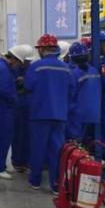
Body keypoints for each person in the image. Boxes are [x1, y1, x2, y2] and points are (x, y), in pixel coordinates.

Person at [25, 34, 75, 193]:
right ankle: (56, 185)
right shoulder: (66, 68)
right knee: (57, 151)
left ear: (43, 49)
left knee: (38, 148)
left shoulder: (36, 67)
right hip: (60, 115)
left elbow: (28, 86)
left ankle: (35, 181)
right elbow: (72, 91)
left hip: (39, 114)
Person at [67, 41, 101, 145]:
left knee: (75, 143)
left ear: (72, 58)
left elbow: (71, 95)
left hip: (78, 114)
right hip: (94, 113)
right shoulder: (94, 71)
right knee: (87, 141)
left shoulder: (73, 73)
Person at [0, 50, 18, 179]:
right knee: (3, 138)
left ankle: (1, 164)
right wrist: (15, 99)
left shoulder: (0, 66)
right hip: (4, 109)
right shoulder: (4, 69)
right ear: (14, 59)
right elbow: (3, 90)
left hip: (0, 108)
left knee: (3, 138)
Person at [9, 45, 34, 172]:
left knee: (29, 135)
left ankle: (27, 161)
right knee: (17, 134)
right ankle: (17, 161)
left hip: (29, 105)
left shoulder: (32, 69)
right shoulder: (13, 69)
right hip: (18, 105)